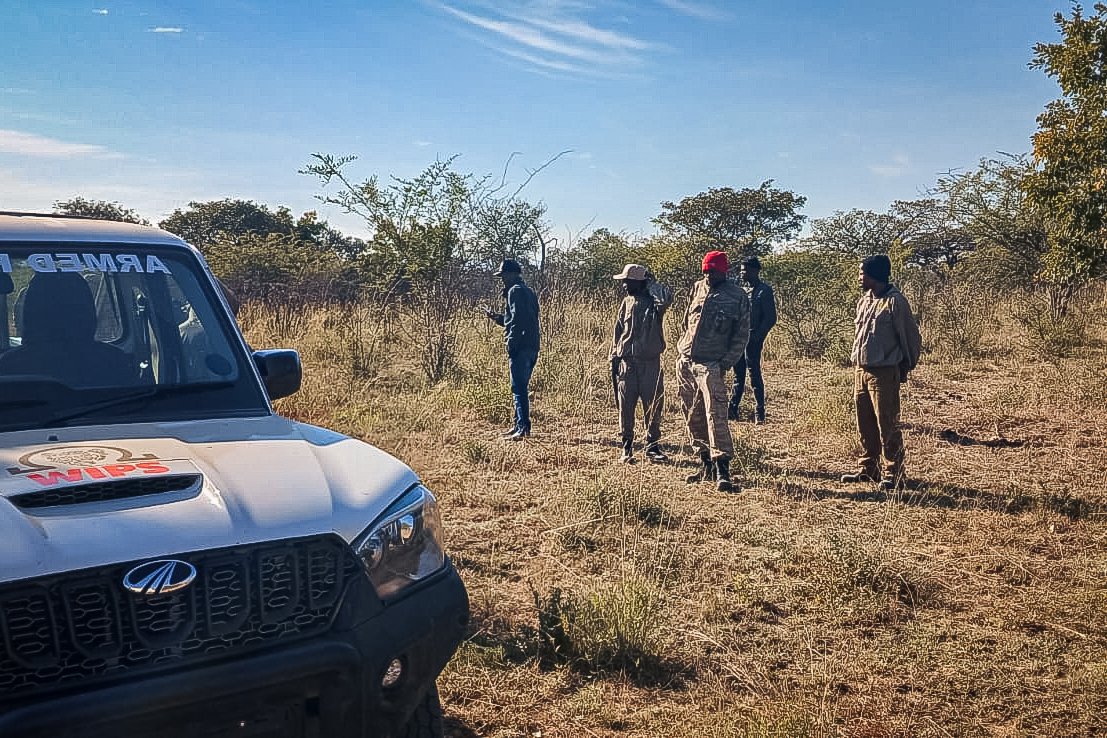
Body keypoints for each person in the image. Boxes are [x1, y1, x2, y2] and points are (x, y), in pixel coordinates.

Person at [841, 254, 922, 491]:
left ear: (873, 274)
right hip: (861, 371)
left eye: (862, 273)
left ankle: (894, 472)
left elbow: (910, 338)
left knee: (888, 423)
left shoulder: (895, 302)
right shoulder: (864, 301)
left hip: (884, 372)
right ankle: (869, 468)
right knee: (864, 423)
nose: (859, 277)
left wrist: (904, 368)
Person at [676, 250, 750, 492]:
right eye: (706, 271)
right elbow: (687, 320)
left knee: (715, 415)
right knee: (692, 415)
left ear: (724, 272)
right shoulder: (698, 287)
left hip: (712, 364)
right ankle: (705, 464)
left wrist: (726, 363)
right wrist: (683, 348)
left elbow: (741, 335)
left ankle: (723, 471)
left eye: (713, 272)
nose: (709, 276)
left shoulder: (737, 296)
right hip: (687, 361)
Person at [610, 263, 674, 464]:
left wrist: (650, 282)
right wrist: (614, 355)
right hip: (627, 363)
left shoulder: (655, 303)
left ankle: (653, 445)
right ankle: (626, 446)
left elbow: (666, 298)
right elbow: (618, 330)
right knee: (625, 407)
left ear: (639, 282)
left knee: (653, 405)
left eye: (628, 281)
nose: (624, 285)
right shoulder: (626, 302)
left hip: (650, 363)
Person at [484, 259, 540, 441]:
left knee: (518, 388)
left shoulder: (514, 291)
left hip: (521, 347)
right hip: (532, 345)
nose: (502, 279)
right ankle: (518, 424)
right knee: (520, 387)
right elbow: (519, 318)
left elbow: (517, 321)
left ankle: (522, 428)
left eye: (504, 275)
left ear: (513, 274)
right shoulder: (528, 292)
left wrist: (511, 343)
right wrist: (497, 318)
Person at [728, 256, 777, 423]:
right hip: (739, 339)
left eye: (745, 270)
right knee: (738, 375)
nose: (742, 273)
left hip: (753, 339)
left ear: (755, 271)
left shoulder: (764, 290)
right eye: (741, 269)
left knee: (754, 374)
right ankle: (733, 409)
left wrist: (757, 337)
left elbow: (770, 318)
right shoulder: (741, 291)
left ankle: (759, 412)